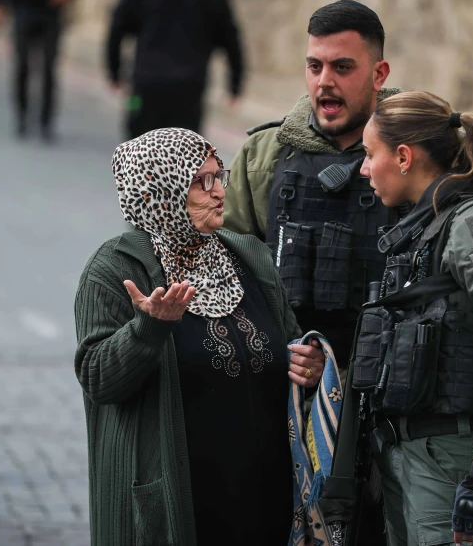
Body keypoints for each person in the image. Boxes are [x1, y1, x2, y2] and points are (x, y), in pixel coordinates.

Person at [74, 128, 326, 546]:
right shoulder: (113, 270)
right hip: (180, 503)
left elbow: (290, 344)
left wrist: (309, 365)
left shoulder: (249, 256)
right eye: (199, 181)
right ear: (159, 192)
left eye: (218, 176)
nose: (218, 192)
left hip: (264, 497)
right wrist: (149, 329)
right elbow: (99, 379)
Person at [348, 91, 473, 546]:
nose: (363, 168)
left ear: (404, 157)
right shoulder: (425, 223)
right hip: (415, 458)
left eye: (369, 154)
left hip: (456, 463)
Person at [223, 0, 402, 371]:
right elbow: (223, 269)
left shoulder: (416, 154)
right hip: (279, 373)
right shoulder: (263, 155)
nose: (325, 82)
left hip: (387, 377)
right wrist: (277, 348)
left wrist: (347, 365)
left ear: (378, 74)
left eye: (342, 67)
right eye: (314, 66)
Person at [105, 0, 244, 139]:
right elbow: (230, 37)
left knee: (141, 147)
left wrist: (114, 72)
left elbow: (117, 26)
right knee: (184, 151)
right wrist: (235, 85)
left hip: (147, 82)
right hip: (189, 86)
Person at [0, 0, 76, 141]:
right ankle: (22, 117)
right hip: (23, 6)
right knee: (22, 65)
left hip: (51, 9)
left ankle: (46, 122)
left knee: (49, 68)